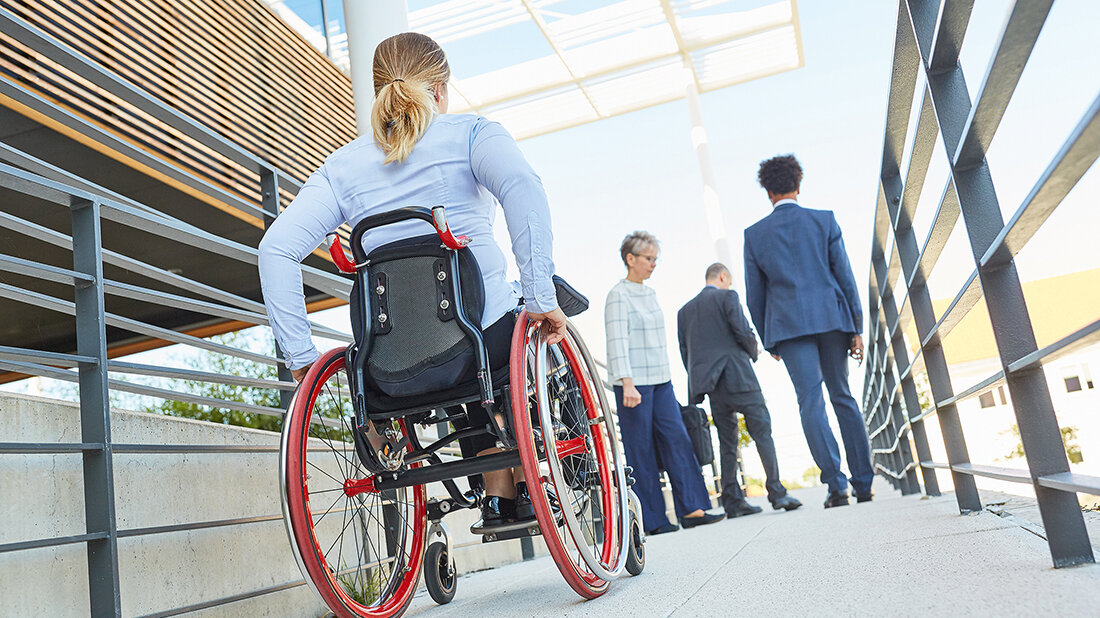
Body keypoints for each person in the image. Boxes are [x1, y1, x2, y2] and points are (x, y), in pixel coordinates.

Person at [258, 32, 568, 527]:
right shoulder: (471, 133)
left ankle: (496, 492)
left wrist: (301, 358)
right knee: (501, 332)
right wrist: (540, 294)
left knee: (450, 350)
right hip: (485, 336)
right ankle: (533, 480)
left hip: (389, 359)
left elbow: (275, 249)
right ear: (440, 90)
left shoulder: (342, 167)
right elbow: (522, 187)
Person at [743, 154, 873, 508]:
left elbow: (755, 295)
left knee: (810, 402)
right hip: (832, 319)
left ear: (768, 192)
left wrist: (769, 339)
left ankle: (836, 486)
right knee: (843, 396)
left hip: (788, 328)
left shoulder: (754, 235)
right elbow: (844, 276)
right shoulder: (824, 220)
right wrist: (856, 327)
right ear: (798, 186)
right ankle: (864, 483)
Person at [604, 231, 724, 535]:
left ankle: (693, 509)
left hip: (661, 381)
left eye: (655, 259)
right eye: (648, 258)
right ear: (630, 259)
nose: (653, 264)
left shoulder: (652, 293)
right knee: (640, 449)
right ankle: (653, 520)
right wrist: (627, 383)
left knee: (677, 439)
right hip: (633, 384)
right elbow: (617, 342)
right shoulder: (618, 295)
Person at [677, 263, 802, 517]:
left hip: (711, 386)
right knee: (762, 431)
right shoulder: (728, 297)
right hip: (738, 376)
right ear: (723, 277)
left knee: (727, 441)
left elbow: (684, 351)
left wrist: (701, 380)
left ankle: (733, 501)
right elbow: (742, 330)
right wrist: (754, 350)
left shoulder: (684, 311)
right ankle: (777, 493)